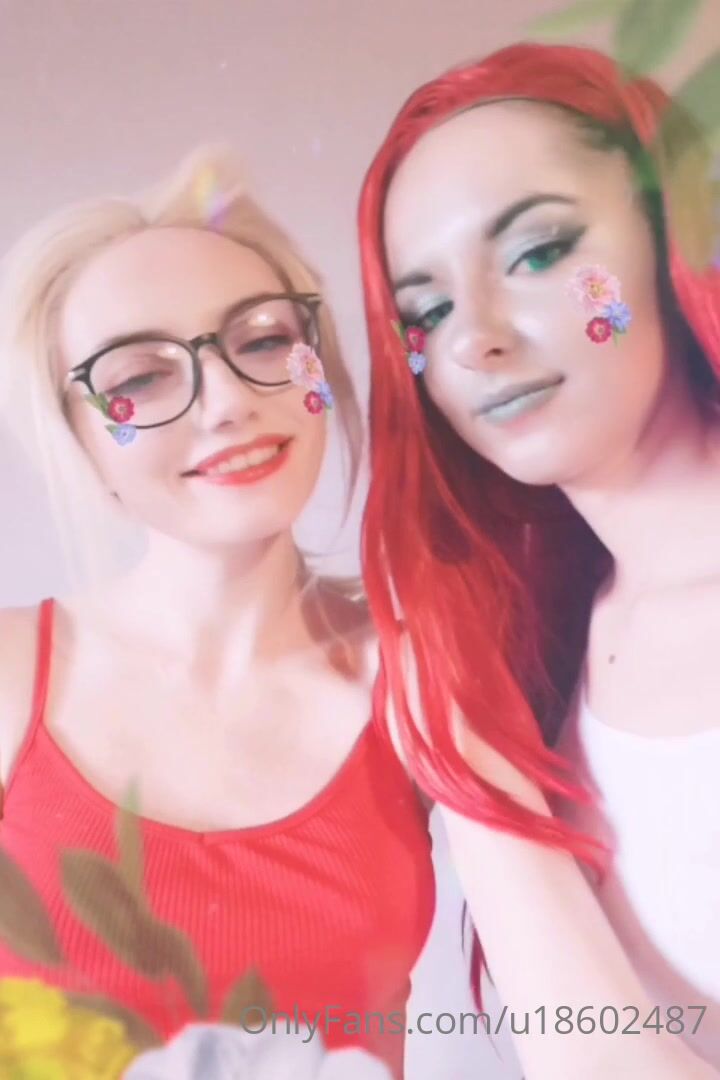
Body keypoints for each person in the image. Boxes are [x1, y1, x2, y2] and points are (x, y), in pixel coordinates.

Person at [0, 149, 435, 1079]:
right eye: (140, 377)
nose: (230, 400)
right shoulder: (7, 674)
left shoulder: (420, 673)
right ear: (79, 441)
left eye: (265, 340)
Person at [357, 42, 720, 1077]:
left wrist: (470, 778)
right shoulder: (553, 648)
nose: (472, 338)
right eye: (425, 312)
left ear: (676, 235)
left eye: (539, 252)